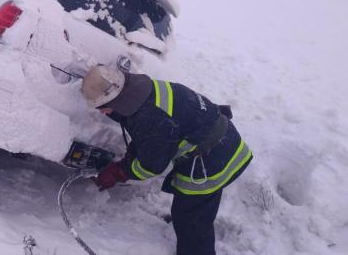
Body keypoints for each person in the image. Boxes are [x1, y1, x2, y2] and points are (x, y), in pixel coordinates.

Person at [82, 65, 253, 255]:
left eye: (102, 108)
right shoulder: (144, 91)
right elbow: (149, 138)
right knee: (197, 212)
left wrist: (118, 172)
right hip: (224, 140)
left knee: (189, 218)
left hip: (215, 160)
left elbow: (150, 166)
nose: (101, 113)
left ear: (116, 101)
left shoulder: (150, 118)